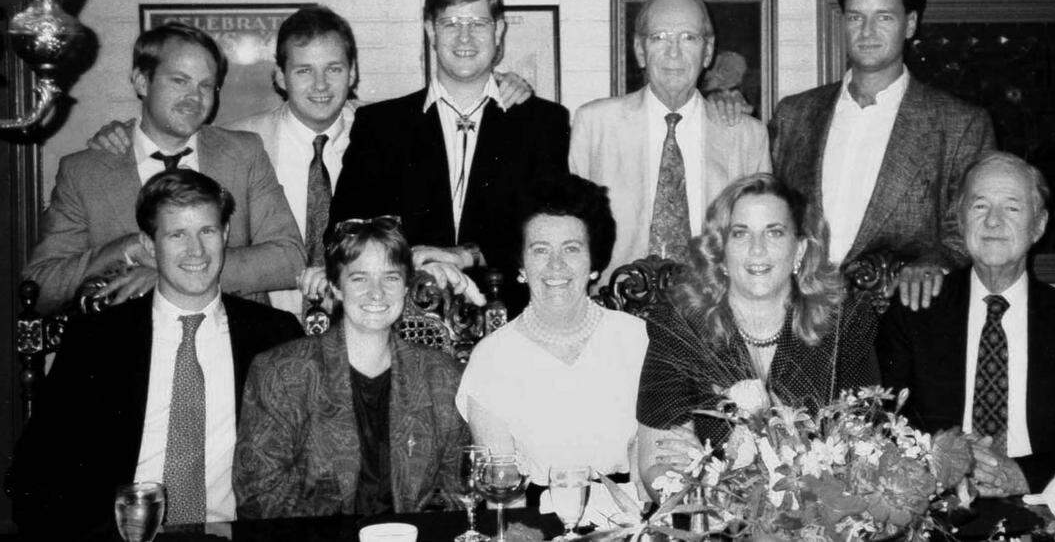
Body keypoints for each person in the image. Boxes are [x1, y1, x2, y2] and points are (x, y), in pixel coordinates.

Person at [86, 5, 535, 319]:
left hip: (370, 322)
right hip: (265, 324)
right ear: (280, 76)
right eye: (303, 71)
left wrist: (503, 85)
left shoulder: (391, 135)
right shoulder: (240, 141)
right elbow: (171, 134)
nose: (321, 86)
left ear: (354, 73)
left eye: (334, 69)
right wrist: (124, 131)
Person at [8, 170, 303, 538]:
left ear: (225, 234)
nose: (196, 251)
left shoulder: (274, 335)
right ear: (149, 245)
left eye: (207, 231)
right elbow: (33, 477)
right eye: (177, 234)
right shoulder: (96, 341)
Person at [877, 152, 1055, 496]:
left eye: (1012, 208)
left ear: (1039, 225)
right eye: (979, 206)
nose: (993, 222)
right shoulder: (914, 313)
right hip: (936, 507)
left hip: (1045, 505)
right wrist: (946, 457)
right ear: (960, 220)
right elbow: (879, 425)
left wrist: (1024, 474)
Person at [330, 0, 570, 313]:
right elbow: (344, 233)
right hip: (404, 319)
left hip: (511, 319)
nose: (464, 39)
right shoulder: (379, 125)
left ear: (499, 30)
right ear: (430, 30)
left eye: (477, 24)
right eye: (451, 24)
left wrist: (466, 255)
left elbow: (550, 228)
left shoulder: (543, 123)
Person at [23, 22, 303, 312]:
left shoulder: (243, 153)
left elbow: (289, 258)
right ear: (142, 82)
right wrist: (127, 249)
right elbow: (41, 285)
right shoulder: (85, 172)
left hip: (230, 339)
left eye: (206, 85)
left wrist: (174, 275)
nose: (195, 97)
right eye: (179, 81)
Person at [769, 0, 995, 311]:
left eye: (884, 17)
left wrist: (934, 263)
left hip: (903, 319)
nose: (867, 31)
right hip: (799, 316)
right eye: (856, 17)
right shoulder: (794, 114)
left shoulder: (959, 124)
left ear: (910, 24)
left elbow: (969, 229)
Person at [636, 173, 880, 495]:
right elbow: (658, 466)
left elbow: (861, 456)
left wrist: (708, 469)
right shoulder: (681, 326)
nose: (757, 249)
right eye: (740, 234)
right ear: (720, 252)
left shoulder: (844, 324)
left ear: (799, 250)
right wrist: (726, 504)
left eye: (774, 232)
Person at [234, 217, 470, 517]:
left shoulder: (442, 375)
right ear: (336, 286)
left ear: (406, 285)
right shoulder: (283, 373)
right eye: (359, 278)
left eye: (391, 278)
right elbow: (258, 495)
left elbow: (457, 487)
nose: (376, 293)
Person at [456, 175, 647, 502]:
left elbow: (648, 465)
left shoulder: (636, 339)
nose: (556, 265)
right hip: (535, 526)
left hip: (626, 522)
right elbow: (502, 495)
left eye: (571, 249)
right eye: (540, 250)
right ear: (521, 266)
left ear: (593, 264)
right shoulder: (492, 358)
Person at [570, 0, 770, 285]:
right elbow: (571, 232)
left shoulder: (747, 136)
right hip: (615, 311)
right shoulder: (594, 125)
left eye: (688, 37)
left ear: (708, 51)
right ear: (640, 50)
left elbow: (760, 239)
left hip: (712, 314)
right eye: (659, 37)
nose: (673, 52)